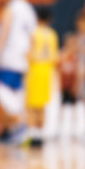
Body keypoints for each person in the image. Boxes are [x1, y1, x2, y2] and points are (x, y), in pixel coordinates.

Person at [0, 0, 37, 143]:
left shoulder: (11, 8)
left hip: (8, 57)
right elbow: (33, 37)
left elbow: (3, 33)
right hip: (21, 59)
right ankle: (15, 129)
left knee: (1, 89)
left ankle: (20, 124)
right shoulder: (29, 10)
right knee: (17, 93)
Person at [25, 8, 59, 146]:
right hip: (47, 71)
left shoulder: (34, 33)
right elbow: (55, 57)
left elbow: (30, 53)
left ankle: (32, 134)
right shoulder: (52, 34)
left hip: (35, 69)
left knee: (32, 105)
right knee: (42, 105)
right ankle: (40, 134)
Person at [58, 33, 79, 137]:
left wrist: (77, 85)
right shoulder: (63, 54)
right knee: (61, 107)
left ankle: (73, 130)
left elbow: (78, 72)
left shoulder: (75, 57)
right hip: (64, 85)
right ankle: (59, 129)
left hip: (72, 86)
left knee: (73, 108)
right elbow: (58, 68)